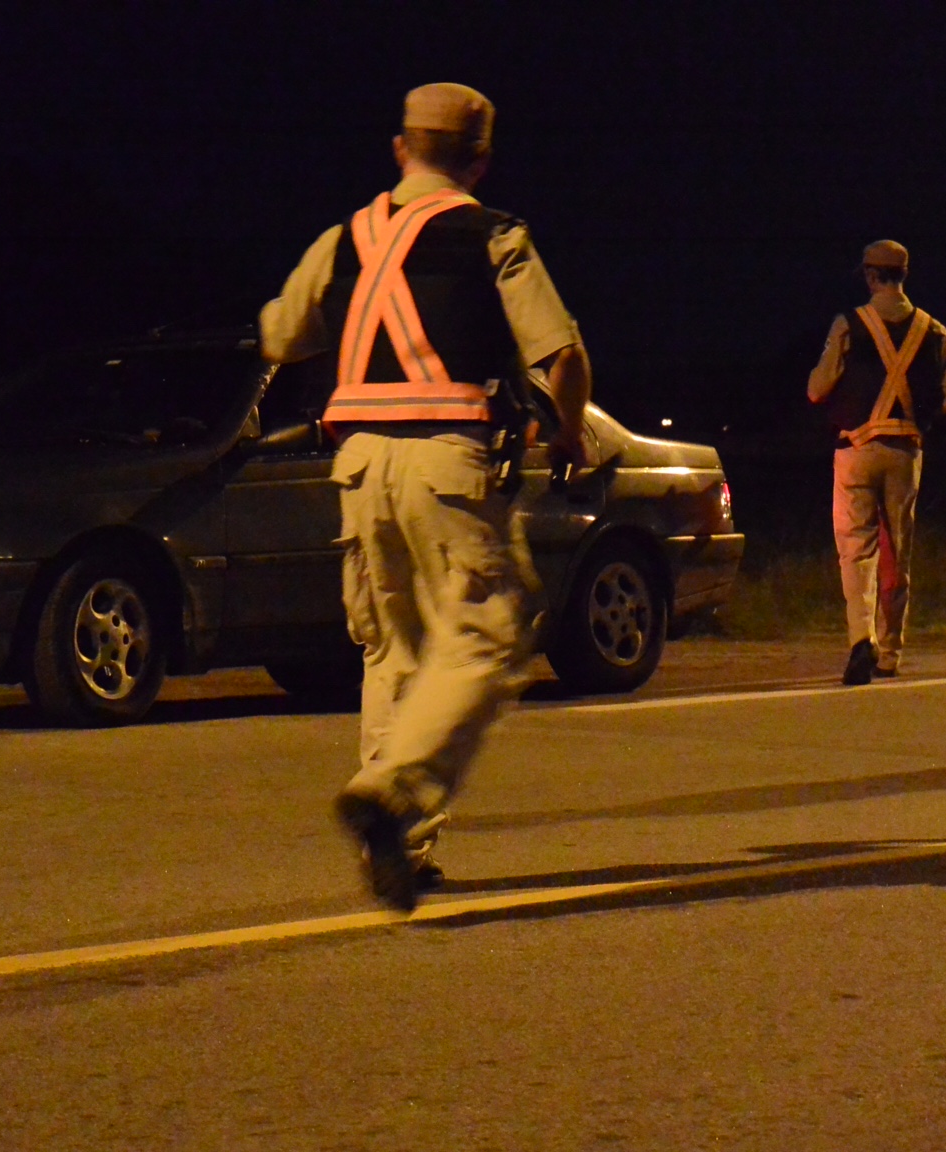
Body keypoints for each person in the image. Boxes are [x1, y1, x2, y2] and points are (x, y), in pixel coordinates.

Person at [260, 82, 591, 911]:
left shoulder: (344, 239)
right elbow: (563, 352)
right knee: (486, 635)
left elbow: (280, 336)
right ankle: (396, 789)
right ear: (480, 159)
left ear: (400, 148)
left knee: (393, 650)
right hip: (449, 464)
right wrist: (569, 430)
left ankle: (401, 849)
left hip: (360, 467)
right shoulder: (493, 235)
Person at [807, 240, 946, 685]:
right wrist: (916, 409)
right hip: (906, 452)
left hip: (856, 449)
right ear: (904, 275)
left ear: (870, 276)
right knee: (898, 551)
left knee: (855, 550)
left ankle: (861, 640)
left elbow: (818, 389)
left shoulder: (849, 324)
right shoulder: (934, 331)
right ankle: (891, 651)